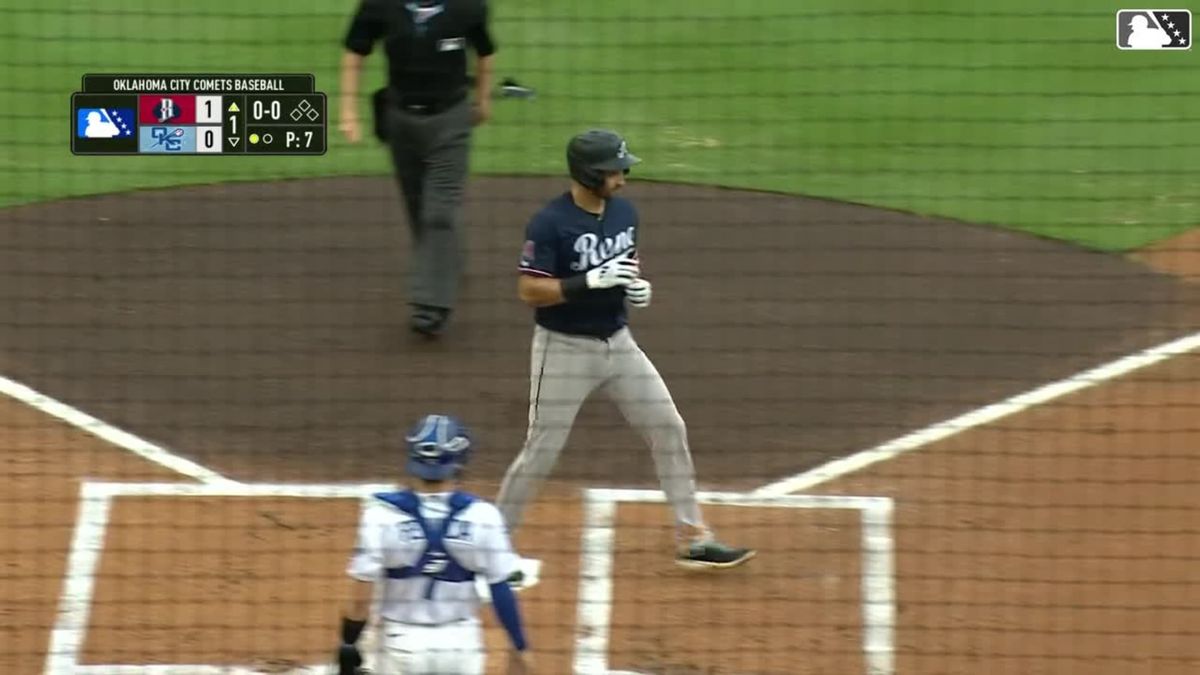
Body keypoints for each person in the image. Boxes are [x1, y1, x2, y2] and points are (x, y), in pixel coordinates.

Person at [496, 129, 756, 571]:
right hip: (563, 351)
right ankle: (492, 542)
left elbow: (627, 268)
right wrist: (585, 283)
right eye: (614, 171)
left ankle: (693, 535)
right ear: (588, 173)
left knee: (668, 426)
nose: (623, 179)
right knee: (543, 447)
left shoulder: (626, 214)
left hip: (619, 345)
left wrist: (635, 290)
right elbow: (528, 290)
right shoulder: (550, 223)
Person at [339, 0, 497, 336]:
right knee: (418, 206)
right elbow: (355, 52)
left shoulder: (466, 7)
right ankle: (446, 259)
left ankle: (430, 306)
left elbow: (485, 52)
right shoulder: (381, 6)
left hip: (451, 120)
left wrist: (483, 101)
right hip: (400, 121)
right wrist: (348, 111)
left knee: (438, 211)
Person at [335, 414, 533, 674]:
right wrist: (521, 649)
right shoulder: (483, 516)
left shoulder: (380, 515)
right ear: (460, 460)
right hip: (461, 649)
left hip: (401, 647)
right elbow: (501, 592)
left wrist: (348, 646)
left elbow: (360, 601)